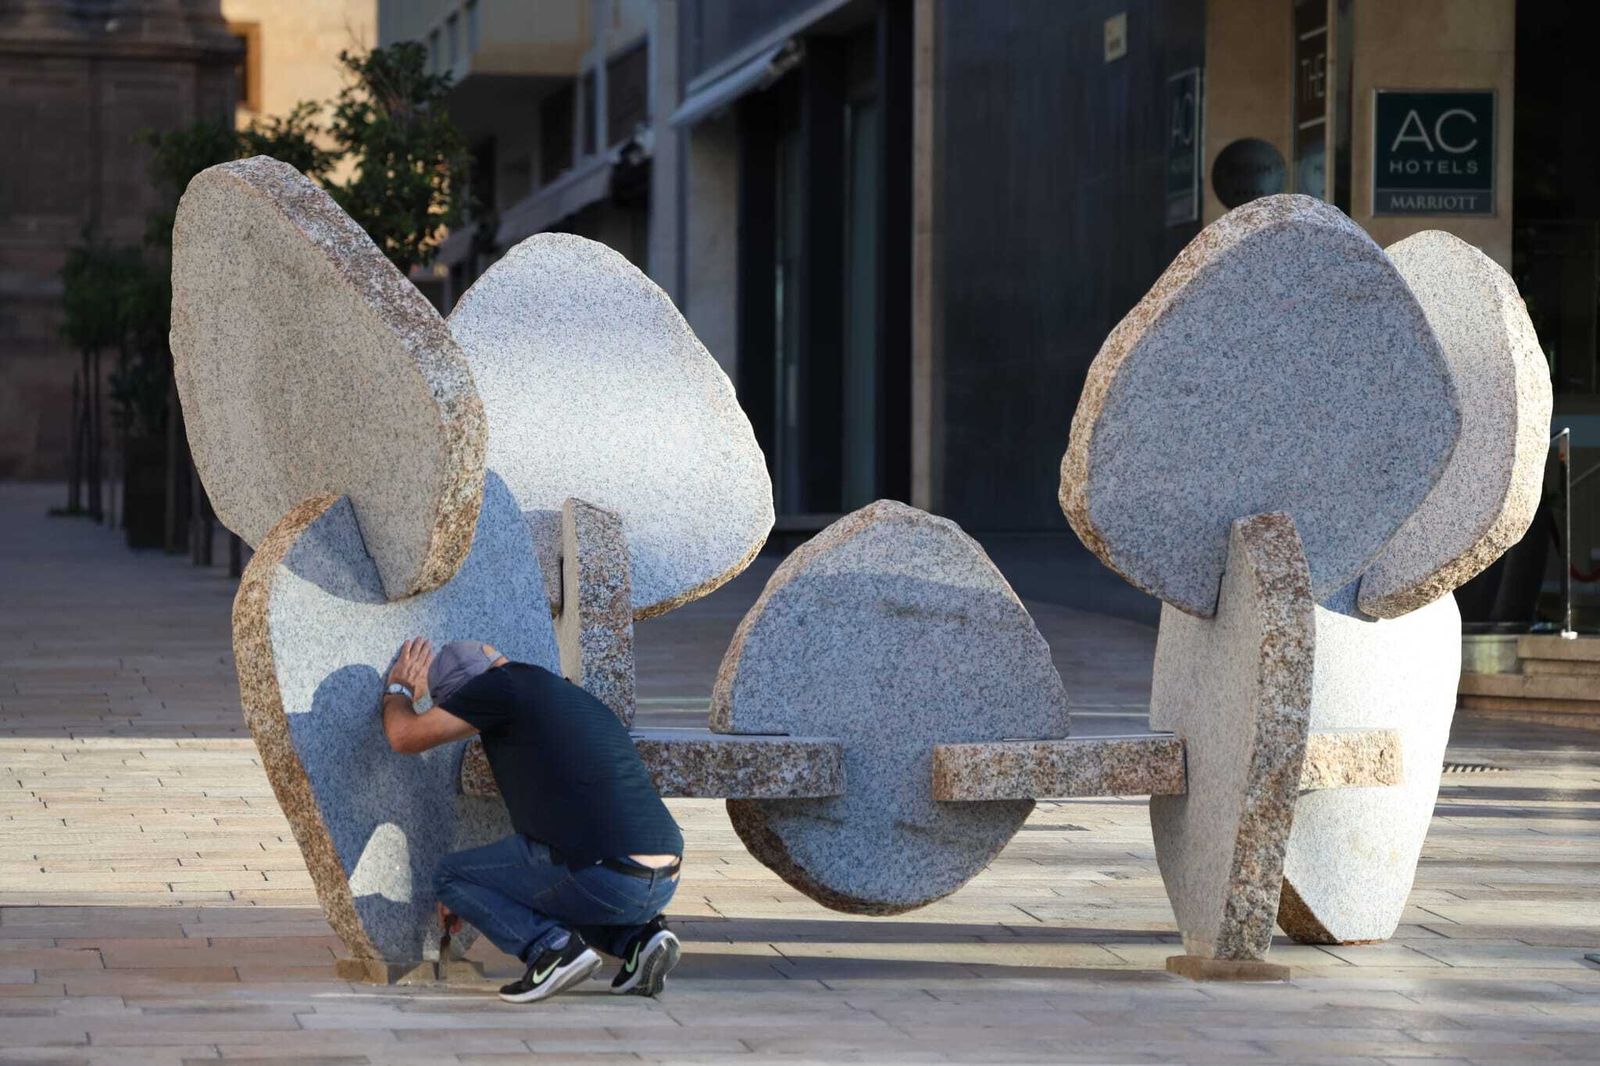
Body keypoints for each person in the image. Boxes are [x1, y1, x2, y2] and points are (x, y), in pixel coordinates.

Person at [381, 637, 684, 1004]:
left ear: (464, 692)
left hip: (604, 873)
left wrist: (399, 690)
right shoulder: (563, 694)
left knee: (452, 876)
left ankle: (552, 950)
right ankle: (640, 941)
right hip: (663, 876)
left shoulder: (496, 687)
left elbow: (403, 736)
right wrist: (489, 892)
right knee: (551, 880)